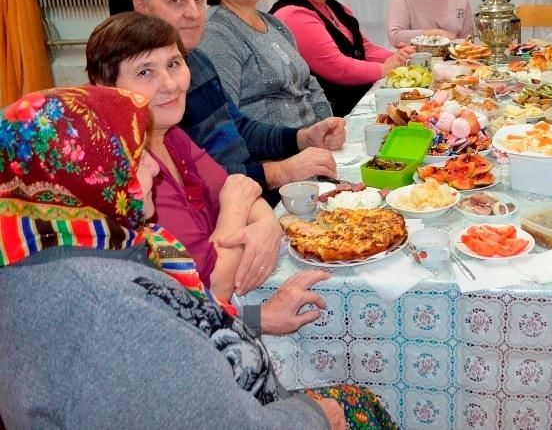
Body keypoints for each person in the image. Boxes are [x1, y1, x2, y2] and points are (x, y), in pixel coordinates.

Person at [0, 85, 397, 429]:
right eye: (134, 157)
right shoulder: (108, 308)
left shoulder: (47, 247)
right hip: (255, 410)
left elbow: (180, 326)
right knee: (363, 401)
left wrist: (260, 317)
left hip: (237, 379)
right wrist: (315, 418)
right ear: (89, 173)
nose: (153, 169)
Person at [87, 12, 282, 298]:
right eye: (145, 72)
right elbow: (211, 284)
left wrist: (266, 226)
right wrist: (235, 210)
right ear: (104, 89)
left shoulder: (170, 134)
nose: (170, 84)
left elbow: (243, 189)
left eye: (174, 64)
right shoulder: (126, 167)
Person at [128, 0, 342, 203]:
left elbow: (238, 127)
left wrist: (300, 138)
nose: (194, 13)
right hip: (227, 202)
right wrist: (279, 172)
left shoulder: (197, 59)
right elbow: (191, 179)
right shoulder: (142, 86)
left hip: (249, 188)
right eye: (176, 0)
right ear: (141, 6)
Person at [271, 0, 415, 117]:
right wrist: (385, 69)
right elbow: (337, 67)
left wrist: (402, 58)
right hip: (325, 116)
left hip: (353, 101)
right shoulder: (293, 14)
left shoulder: (335, 7)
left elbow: (365, 49)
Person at [200, 0, 333, 129]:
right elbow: (225, 118)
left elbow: (309, 84)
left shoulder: (275, 24)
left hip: (311, 141)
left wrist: (326, 127)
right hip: (274, 152)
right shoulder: (215, 32)